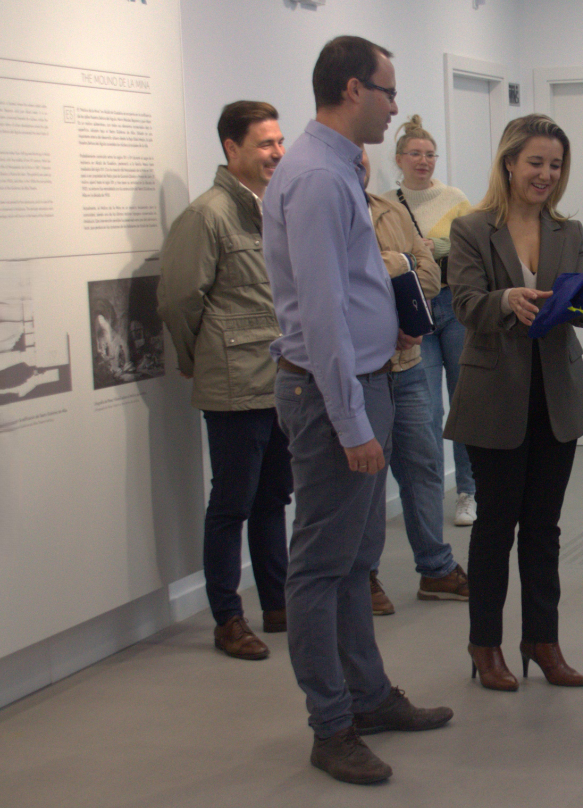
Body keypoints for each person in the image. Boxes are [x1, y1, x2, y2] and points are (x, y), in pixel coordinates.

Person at [262, 35, 451, 785]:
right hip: (330, 394)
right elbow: (320, 314)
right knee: (320, 567)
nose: (395, 106)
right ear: (351, 90)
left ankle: (367, 698)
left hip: (367, 377)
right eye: (387, 91)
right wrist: (350, 422)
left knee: (353, 562)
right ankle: (331, 725)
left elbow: (352, 284)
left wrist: (388, 323)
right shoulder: (316, 177)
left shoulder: (340, 169)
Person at [445, 114, 583, 692]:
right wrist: (507, 298)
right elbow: (464, 304)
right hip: (494, 398)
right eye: (535, 162)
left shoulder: (569, 230)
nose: (546, 174)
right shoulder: (471, 228)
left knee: (543, 527)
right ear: (509, 162)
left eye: (555, 165)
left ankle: (542, 640)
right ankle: (484, 643)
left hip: (558, 397)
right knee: (495, 527)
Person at [158, 101, 291, 661]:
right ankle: (227, 619)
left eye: (279, 141)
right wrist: (201, 359)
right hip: (234, 384)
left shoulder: (274, 207)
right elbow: (178, 300)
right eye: (264, 143)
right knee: (232, 504)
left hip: (281, 378)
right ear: (231, 148)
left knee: (273, 498)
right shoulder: (207, 215)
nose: (276, 152)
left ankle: (278, 604)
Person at [361, 149, 469, 613]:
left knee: (423, 462)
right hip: (361, 370)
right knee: (368, 476)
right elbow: (349, 281)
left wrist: (401, 267)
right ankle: (363, 576)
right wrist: (399, 263)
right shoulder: (324, 213)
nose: (356, 163)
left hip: (405, 363)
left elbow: (427, 272)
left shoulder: (391, 211)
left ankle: (436, 567)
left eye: (360, 157)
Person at [392, 115, 477, 527]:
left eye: (430, 154)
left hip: (453, 303)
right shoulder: (387, 204)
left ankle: (468, 491)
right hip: (415, 310)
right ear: (399, 159)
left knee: (464, 402)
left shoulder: (454, 198)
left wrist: (440, 246)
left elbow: (476, 245)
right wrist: (413, 253)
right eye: (415, 154)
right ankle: (427, 495)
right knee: (425, 408)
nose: (423, 161)